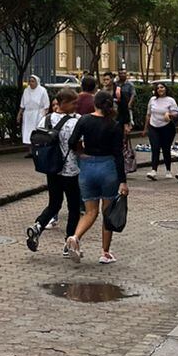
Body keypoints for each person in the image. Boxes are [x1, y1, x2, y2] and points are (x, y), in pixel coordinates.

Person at [68, 89, 128, 264]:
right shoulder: (114, 124)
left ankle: (75, 237)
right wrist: (123, 181)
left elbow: (72, 142)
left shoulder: (84, 120)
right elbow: (118, 154)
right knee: (107, 213)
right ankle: (105, 252)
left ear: (95, 103)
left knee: (90, 211)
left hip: (87, 168)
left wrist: (81, 153)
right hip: (108, 167)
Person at [25, 86, 82, 252]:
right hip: (69, 169)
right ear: (63, 103)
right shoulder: (74, 123)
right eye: (73, 103)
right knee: (73, 207)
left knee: (54, 203)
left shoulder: (46, 119)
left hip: (51, 168)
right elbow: (77, 146)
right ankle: (68, 243)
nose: (76, 106)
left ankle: (38, 226)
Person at [144, 82, 178, 180]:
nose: (160, 89)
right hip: (153, 126)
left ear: (166, 89)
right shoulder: (152, 100)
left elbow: (176, 114)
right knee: (155, 147)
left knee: (166, 148)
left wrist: (170, 115)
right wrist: (145, 128)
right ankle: (153, 170)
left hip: (166, 127)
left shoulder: (170, 100)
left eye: (162, 87)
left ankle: (168, 170)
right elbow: (148, 114)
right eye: (158, 88)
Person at [16, 74, 51, 146]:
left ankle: (36, 149)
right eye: (30, 81)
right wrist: (19, 114)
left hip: (38, 114)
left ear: (36, 82)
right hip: (28, 115)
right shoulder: (26, 90)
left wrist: (44, 115)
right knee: (27, 133)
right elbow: (22, 105)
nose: (31, 83)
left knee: (36, 132)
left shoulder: (42, 91)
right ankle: (30, 151)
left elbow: (46, 105)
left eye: (32, 81)